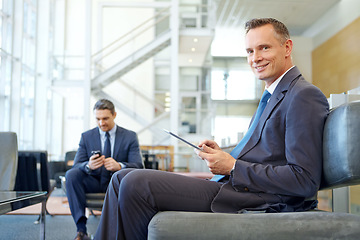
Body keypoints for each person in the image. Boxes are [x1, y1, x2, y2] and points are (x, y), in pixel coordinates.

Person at [94, 18, 329, 240]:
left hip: (259, 198)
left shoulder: (303, 95)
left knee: (136, 183)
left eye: (264, 48)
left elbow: (304, 179)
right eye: (249, 51)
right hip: (238, 187)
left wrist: (233, 166)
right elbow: (265, 152)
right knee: (120, 178)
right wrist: (224, 155)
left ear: (287, 47)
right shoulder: (273, 95)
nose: (255, 57)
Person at [65, 99, 144, 240]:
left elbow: (138, 166)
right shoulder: (86, 136)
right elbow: (77, 164)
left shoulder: (129, 137)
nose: (101, 123)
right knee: (71, 175)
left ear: (114, 115)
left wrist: (120, 166)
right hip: (93, 181)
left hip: (116, 184)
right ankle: (81, 230)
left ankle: (122, 230)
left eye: (105, 118)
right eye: (98, 119)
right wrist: (88, 166)